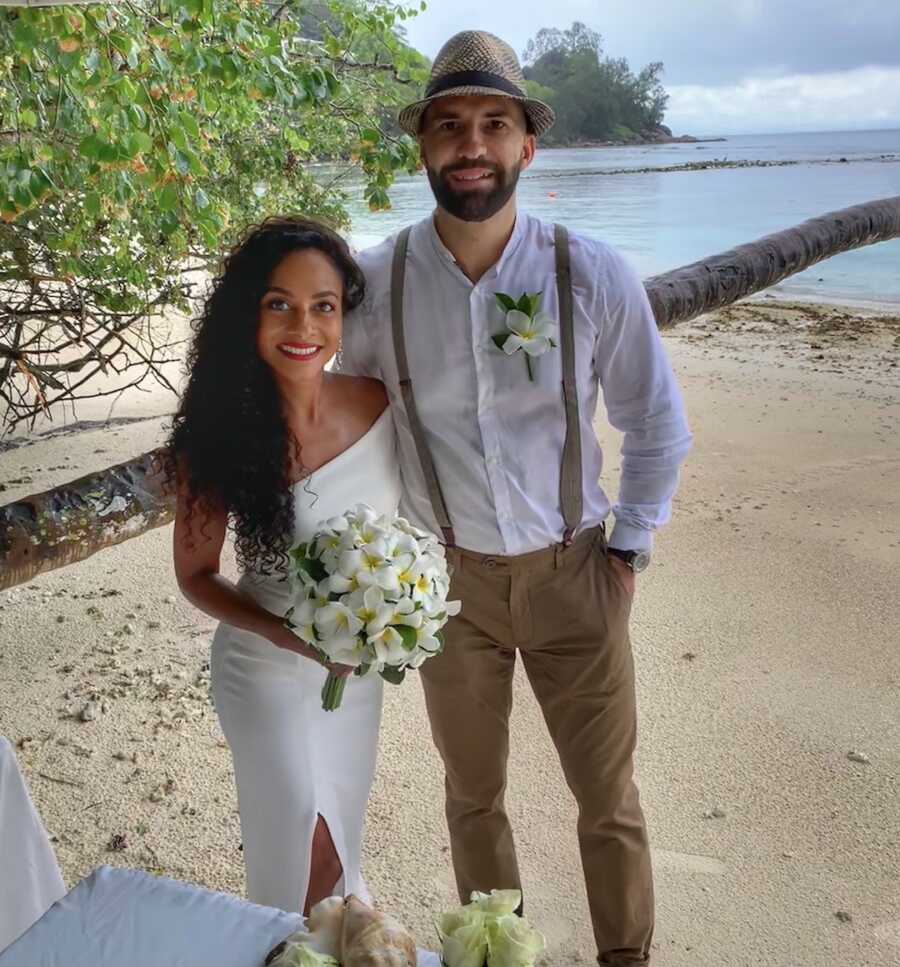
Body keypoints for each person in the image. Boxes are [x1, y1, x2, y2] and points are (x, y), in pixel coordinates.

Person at [339, 31, 693, 966]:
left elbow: (656, 422)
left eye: (493, 124)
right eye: (450, 126)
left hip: (579, 571)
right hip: (448, 588)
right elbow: (350, 430)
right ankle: (499, 952)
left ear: (525, 148)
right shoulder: (375, 284)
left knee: (608, 797)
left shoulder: (591, 272)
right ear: (424, 147)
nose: (471, 145)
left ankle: (628, 957)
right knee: (472, 796)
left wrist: (629, 550)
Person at [169, 217, 399, 915]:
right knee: (304, 837)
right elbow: (196, 574)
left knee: (341, 834)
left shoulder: (379, 402)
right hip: (264, 669)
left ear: (342, 316)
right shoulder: (217, 433)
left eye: (323, 306)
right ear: (250, 313)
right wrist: (284, 632)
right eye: (280, 304)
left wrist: (400, 610)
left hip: (353, 673)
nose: (304, 325)